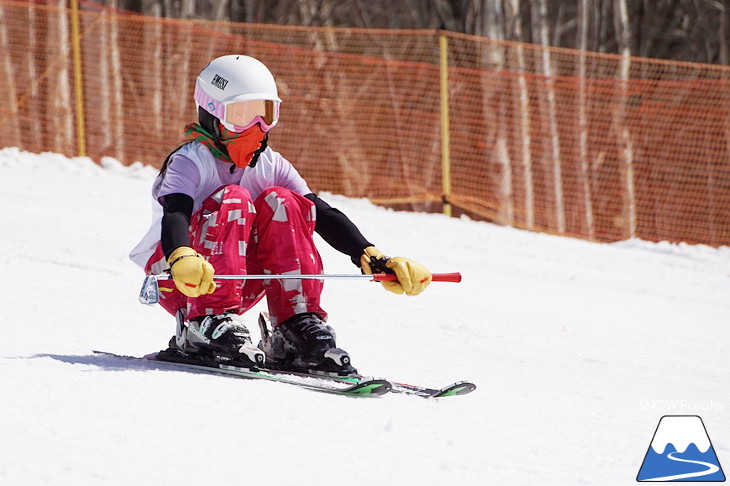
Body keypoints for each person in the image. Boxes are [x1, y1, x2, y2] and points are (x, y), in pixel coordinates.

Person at [130, 54, 431, 375]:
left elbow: (321, 214)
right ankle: (204, 325)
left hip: (236, 281)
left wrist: (369, 254)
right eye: (243, 115)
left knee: (284, 202)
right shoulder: (190, 161)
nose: (258, 127)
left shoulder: (270, 164)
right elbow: (175, 212)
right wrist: (180, 255)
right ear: (214, 115)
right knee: (234, 198)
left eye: (266, 114)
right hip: (181, 280)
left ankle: (294, 326)